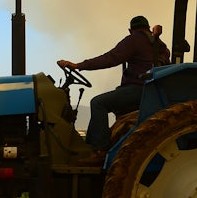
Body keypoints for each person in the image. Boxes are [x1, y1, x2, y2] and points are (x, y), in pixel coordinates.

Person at [58, 15, 170, 165]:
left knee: (98, 103)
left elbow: (110, 58)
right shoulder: (158, 45)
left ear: (130, 30)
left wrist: (79, 66)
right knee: (105, 101)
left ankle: (99, 152)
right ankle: (89, 147)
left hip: (138, 91)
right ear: (147, 28)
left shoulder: (135, 39)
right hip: (151, 92)